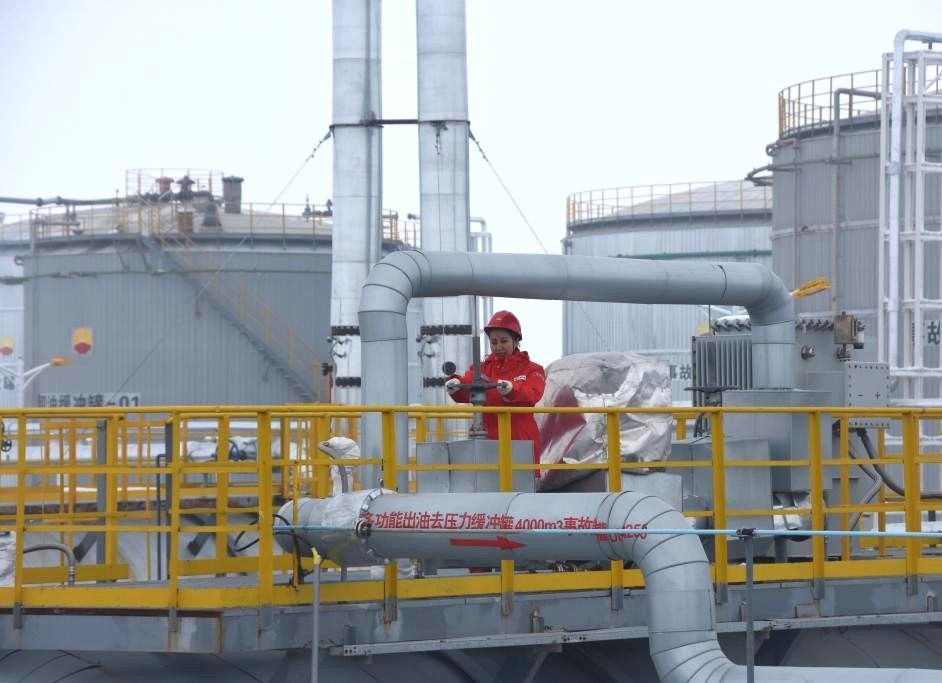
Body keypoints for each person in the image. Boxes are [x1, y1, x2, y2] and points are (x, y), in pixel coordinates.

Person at [445, 310, 546, 459]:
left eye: (504, 341)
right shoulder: (482, 369)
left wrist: (512, 390)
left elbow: (533, 394)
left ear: (516, 341)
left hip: (519, 441)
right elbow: (469, 383)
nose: (498, 347)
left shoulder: (532, 369)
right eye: (494, 342)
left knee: (519, 482)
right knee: (486, 480)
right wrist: (457, 385)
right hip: (487, 440)